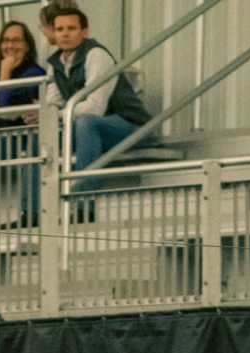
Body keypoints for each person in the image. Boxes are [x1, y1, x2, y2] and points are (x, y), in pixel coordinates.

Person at [44, 6, 151, 219]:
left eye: (71, 28)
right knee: (39, 137)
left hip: (131, 126)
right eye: (59, 29)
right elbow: (51, 103)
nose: (65, 33)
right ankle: (33, 211)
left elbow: (95, 107)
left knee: (86, 122)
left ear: (84, 32)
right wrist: (47, 116)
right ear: (53, 34)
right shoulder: (55, 63)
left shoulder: (96, 55)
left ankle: (84, 205)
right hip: (89, 128)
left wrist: (58, 113)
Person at [0, 21, 49, 229]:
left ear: (27, 45)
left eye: (16, 40)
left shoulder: (34, 73)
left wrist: (5, 74)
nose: (10, 46)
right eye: (5, 40)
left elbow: (4, 104)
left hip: (13, 141)